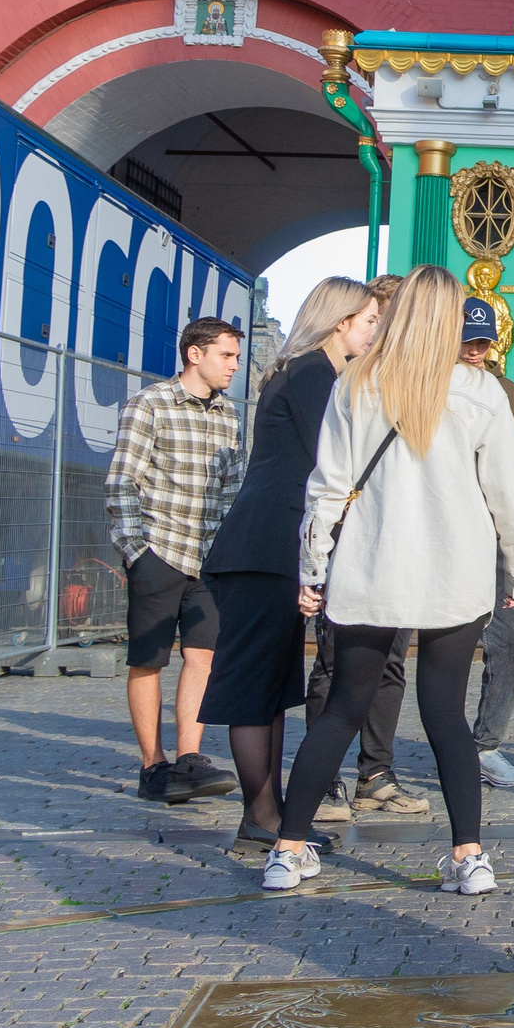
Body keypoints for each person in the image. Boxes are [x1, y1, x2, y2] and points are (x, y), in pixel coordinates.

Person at [268, 264, 514, 894]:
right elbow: (510, 498)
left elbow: (326, 487)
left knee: (341, 709)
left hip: (370, 566)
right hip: (456, 570)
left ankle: (286, 848)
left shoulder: (356, 383)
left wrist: (313, 569)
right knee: (444, 711)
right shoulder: (479, 392)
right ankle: (469, 855)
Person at [198, 277, 379, 852]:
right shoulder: (312, 376)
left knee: (274, 688)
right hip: (264, 546)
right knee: (255, 688)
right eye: (370, 320)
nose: (375, 331)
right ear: (341, 321)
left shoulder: (307, 373)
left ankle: (269, 815)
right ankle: (261, 819)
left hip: (274, 545)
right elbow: (336, 466)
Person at [105, 315, 247, 805]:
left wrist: (231, 552)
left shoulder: (229, 414)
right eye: (226, 355)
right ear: (195, 354)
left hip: (209, 558)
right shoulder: (150, 404)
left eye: (235, 356)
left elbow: (233, 488)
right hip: (160, 551)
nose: (234, 366)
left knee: (203, 657)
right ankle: (153, 765)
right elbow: (123, 479)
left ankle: (190, 757)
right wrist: (135, 552)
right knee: (149, 660)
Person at [303, 272, 423, 824]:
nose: (382, 330)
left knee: (392, 663)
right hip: (349, 544)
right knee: (335, 663)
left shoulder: (408, 381)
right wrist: (314, 555)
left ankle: (376, 772)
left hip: (397, 547)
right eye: (377, 319)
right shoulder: (342, 381)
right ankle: (322, 782)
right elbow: (325, 475)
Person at [459, 298, 514, 788]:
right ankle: (378, 761)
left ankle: (485, 746)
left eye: (482, 342)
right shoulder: (428, 389)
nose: (474, 350)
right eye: (466, 340)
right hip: (442, 539)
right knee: (441, 651)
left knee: (513, 647)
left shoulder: (508, 394)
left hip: (496, 542)